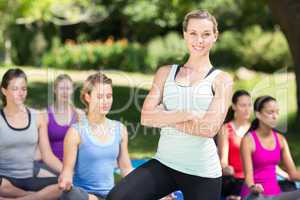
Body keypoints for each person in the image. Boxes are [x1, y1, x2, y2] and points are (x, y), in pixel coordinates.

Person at [107, 10, 233, 200]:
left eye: (206, 34)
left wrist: (164, 117)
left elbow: (208, 129)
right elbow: (146, 118)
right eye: (193, 33)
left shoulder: (222, 80)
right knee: (118, 197)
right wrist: (184, 114)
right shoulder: (165, 73)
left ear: (215, 36)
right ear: (184, 35)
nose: (199, 40)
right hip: (165, 164)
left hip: (203, 172)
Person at [58, 72, 133, 200]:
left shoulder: (120, 129)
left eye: (109, 96)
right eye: (100, 96)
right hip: (84, 196)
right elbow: (67, 171)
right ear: (88, 97)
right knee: (71, 195)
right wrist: (65, 179)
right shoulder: (75, 132)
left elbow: (126, 169)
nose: (105, 101)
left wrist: (153, 191)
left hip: (110, 195)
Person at [0, 68, 62, 199]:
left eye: (24, 89)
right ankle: (36, 197)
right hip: (4, 181)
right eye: (15, 89)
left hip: (29, 179)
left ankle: (25, 198)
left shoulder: (38, 116)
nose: (21, 93)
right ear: (4, 90)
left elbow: (47, 156)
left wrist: (68, 172)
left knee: (64, 185)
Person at [240, 95, 300, 199]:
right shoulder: (248, 140)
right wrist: (254, 187)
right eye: (270, 112)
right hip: (254, 195)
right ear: (258, 114)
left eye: (277, 112)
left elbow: (293, 174)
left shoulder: (280, 139)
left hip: (276, 195)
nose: (275, 116)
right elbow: (248, 177)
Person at [217, 90, 252, 200]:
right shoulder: (225, 129)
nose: (247, 109)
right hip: (233, 179)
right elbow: (223, 160)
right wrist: (226, 168)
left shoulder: (256, 129)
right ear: (234, 106)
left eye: (249, 105)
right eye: (243, 105)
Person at [45, 74, 82, 161]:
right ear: (54, 90)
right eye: (61, 88)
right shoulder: (45, 115)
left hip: (74, 165)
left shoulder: (79, 115)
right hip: (52, 165)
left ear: (72, 90)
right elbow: (44, 151)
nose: (65, 92)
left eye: (68, 89)